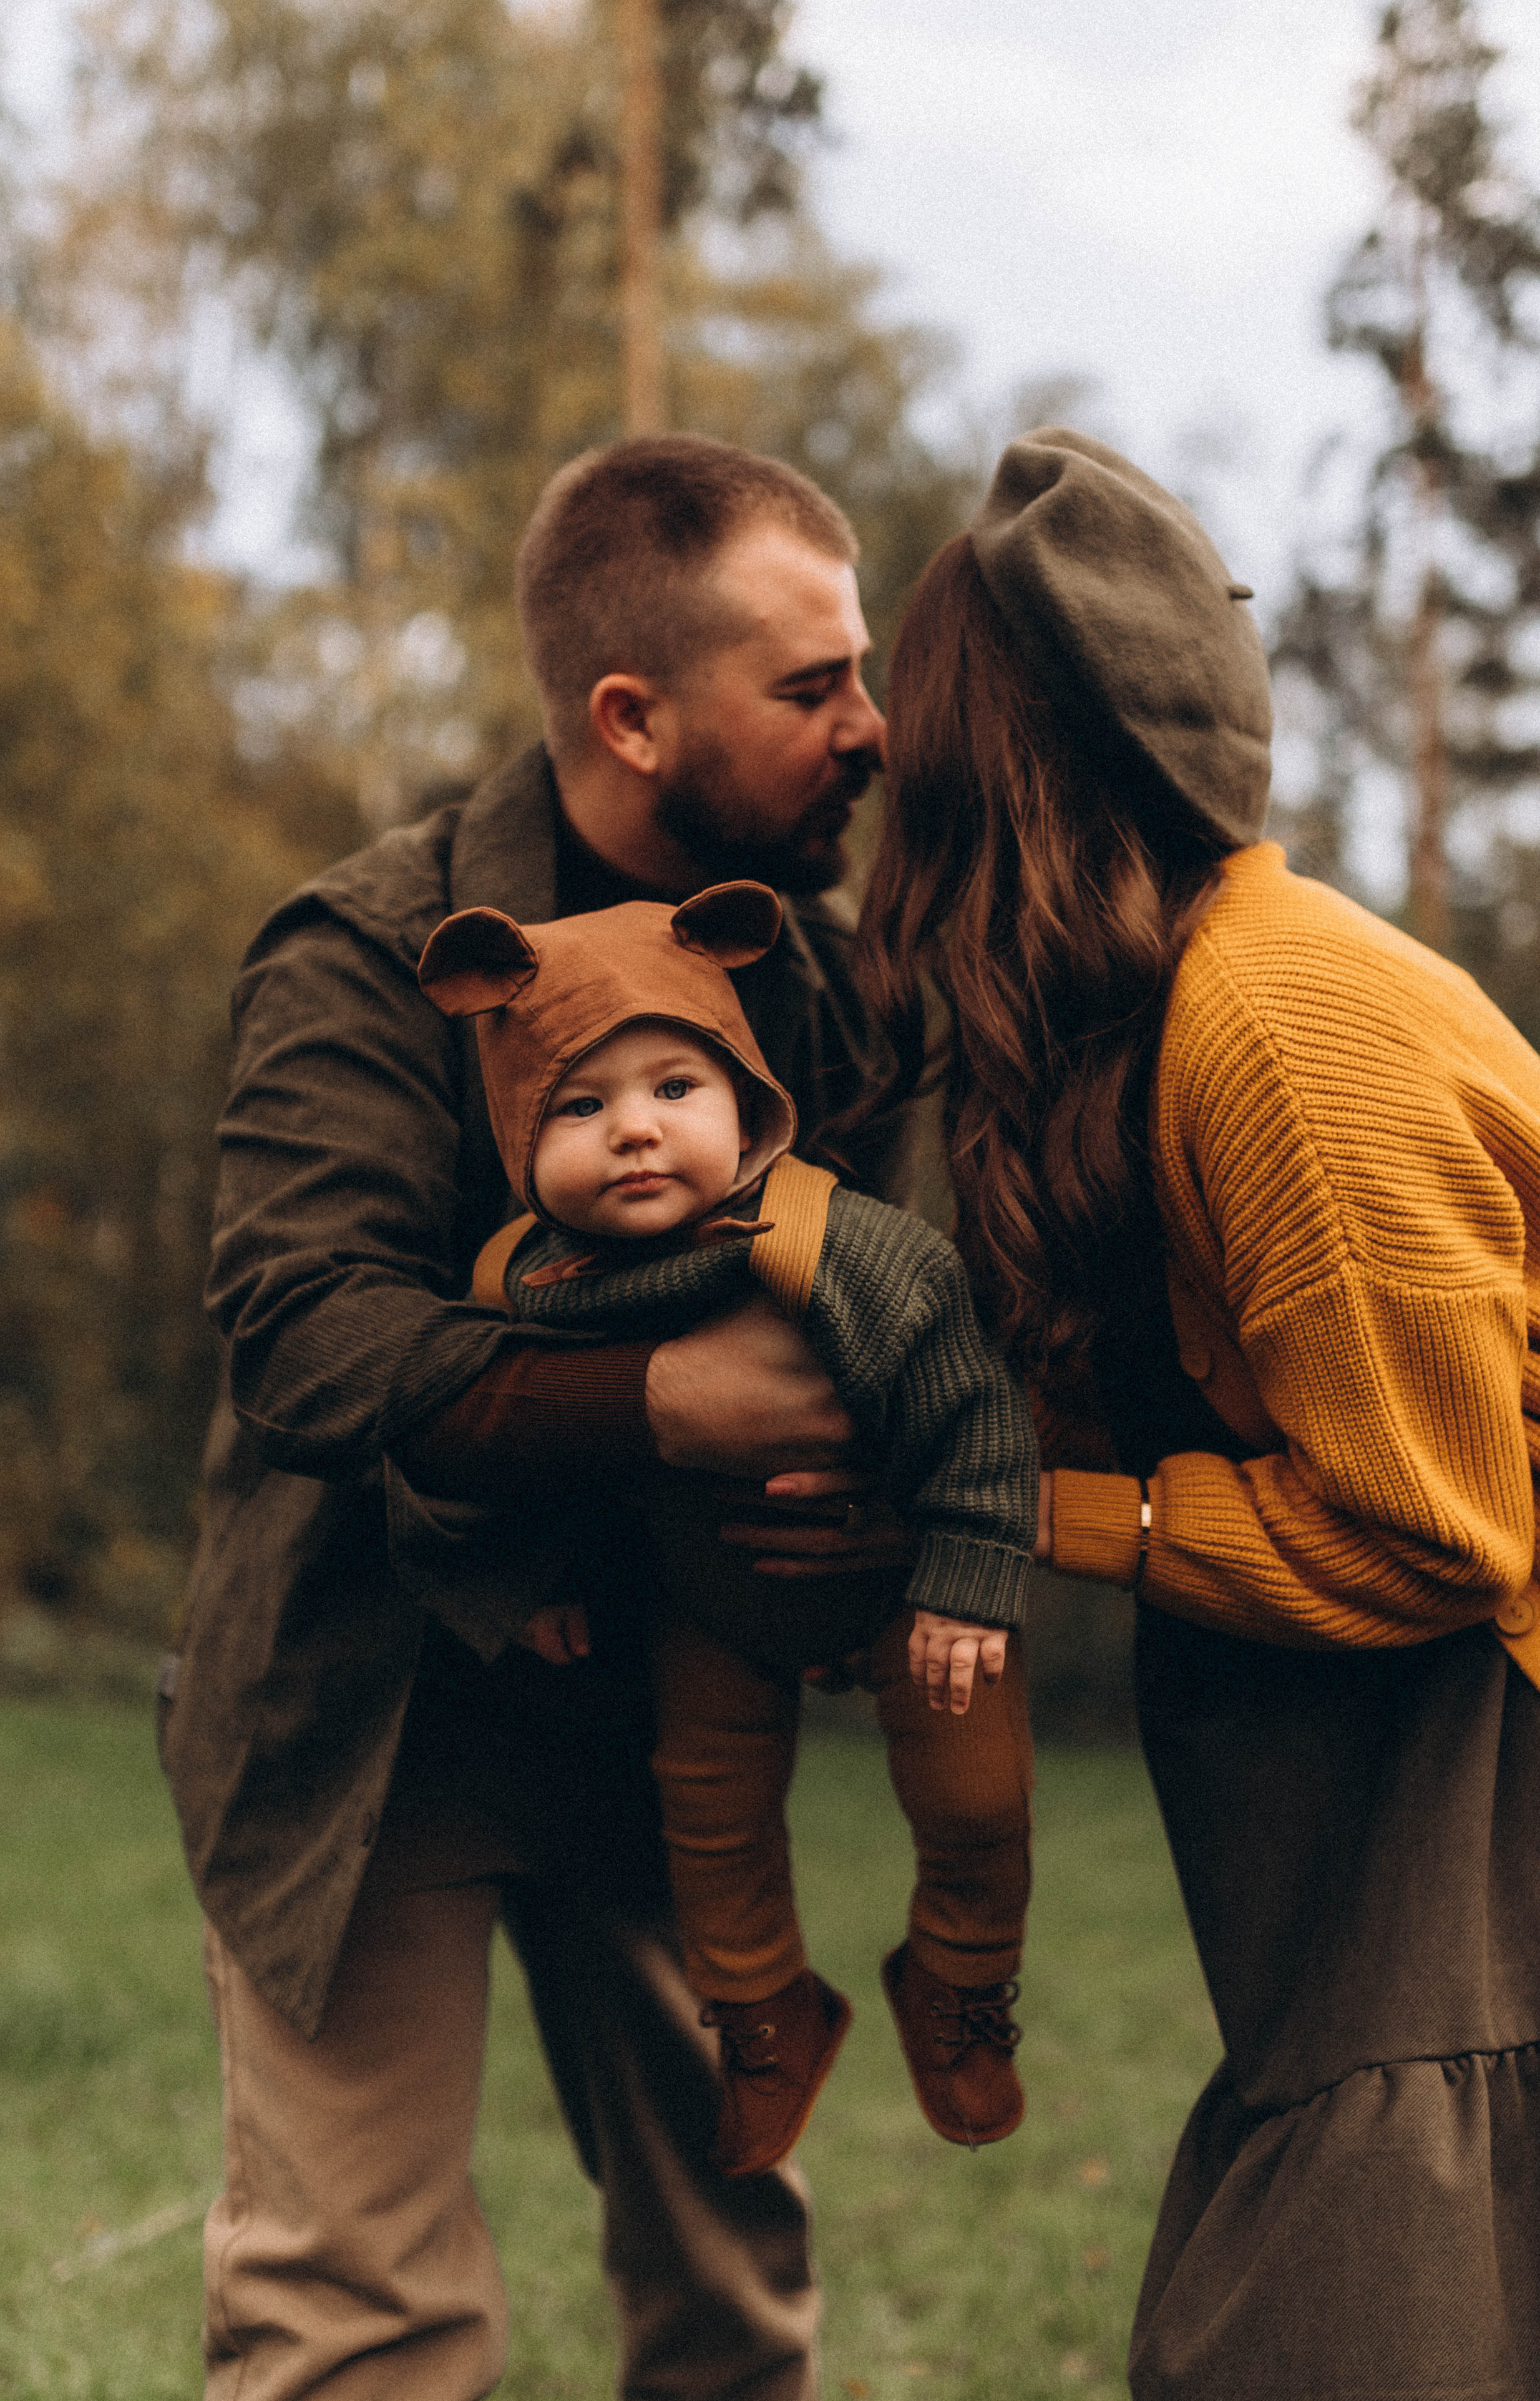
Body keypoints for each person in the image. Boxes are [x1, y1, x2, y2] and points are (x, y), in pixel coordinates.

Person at [162, 434, 922, 2401]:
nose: (872, 726)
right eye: (814, 686)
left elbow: (907, 1312)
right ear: (631, 716)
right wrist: (669, 1396)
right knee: (365, 2323)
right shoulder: (370, 953)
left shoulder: (815, 989)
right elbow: (310, 1334)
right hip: (371, 1712)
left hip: (676, 1722)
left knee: (734, 2286)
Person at [852, 426, 1540, 2400]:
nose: (869, 770)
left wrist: (1045, 1516)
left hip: (1536, 1749)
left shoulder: (1277, 1026)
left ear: (986, 763)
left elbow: (1437, 1534)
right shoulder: (1169, 1005)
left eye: (902, 727)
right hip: (1431, 1790)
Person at [408, 876, 1038, 2174]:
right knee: (707, 1817)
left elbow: (968, 1405)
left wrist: (967, 1574)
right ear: (521, 1136)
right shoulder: (525, 1284)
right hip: (708, 1602)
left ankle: (957, 1978)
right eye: (579, 1106)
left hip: (906, 1593)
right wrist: (531, 1576)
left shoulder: (846, 1250)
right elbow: (520, 1455)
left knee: (977, 1794)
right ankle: (763, 2016)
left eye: (672, 1090)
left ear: (746, 1098)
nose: (632, 1131)